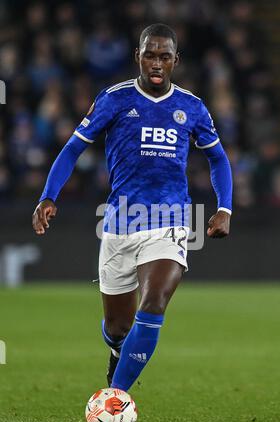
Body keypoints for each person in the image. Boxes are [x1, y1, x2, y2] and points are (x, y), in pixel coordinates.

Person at [32, 23, 232, 392]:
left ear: (176, 60)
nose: (157, 63)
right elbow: (73, 148)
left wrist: (225, 208)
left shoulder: (192, 107)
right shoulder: (114, 99)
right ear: (137, 57)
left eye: (165, 56)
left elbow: (218, 159)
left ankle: (116, 396)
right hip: (120, 224)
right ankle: (117, 353)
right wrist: (48, 195)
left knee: (154, 301)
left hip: (169, 222)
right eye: (150, 55)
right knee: (117, 329)